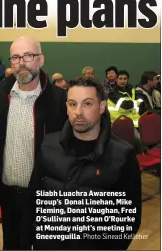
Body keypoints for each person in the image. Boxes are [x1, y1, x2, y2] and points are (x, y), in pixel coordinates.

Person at [23, 77, 142, 250]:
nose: (78, 111)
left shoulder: (122, 155)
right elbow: (32, 199)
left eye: (87, 104)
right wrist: (29, 241)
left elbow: (129, 219)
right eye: (72, 104)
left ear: (101, 107)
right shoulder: (48, 144)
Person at [0, 36, 68, 250]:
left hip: (44, 198)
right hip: (7, 196)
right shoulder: (0, 96)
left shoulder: (59, 101)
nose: (22, 62)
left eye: (28, 56)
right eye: (15, 57)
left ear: (40, 60)